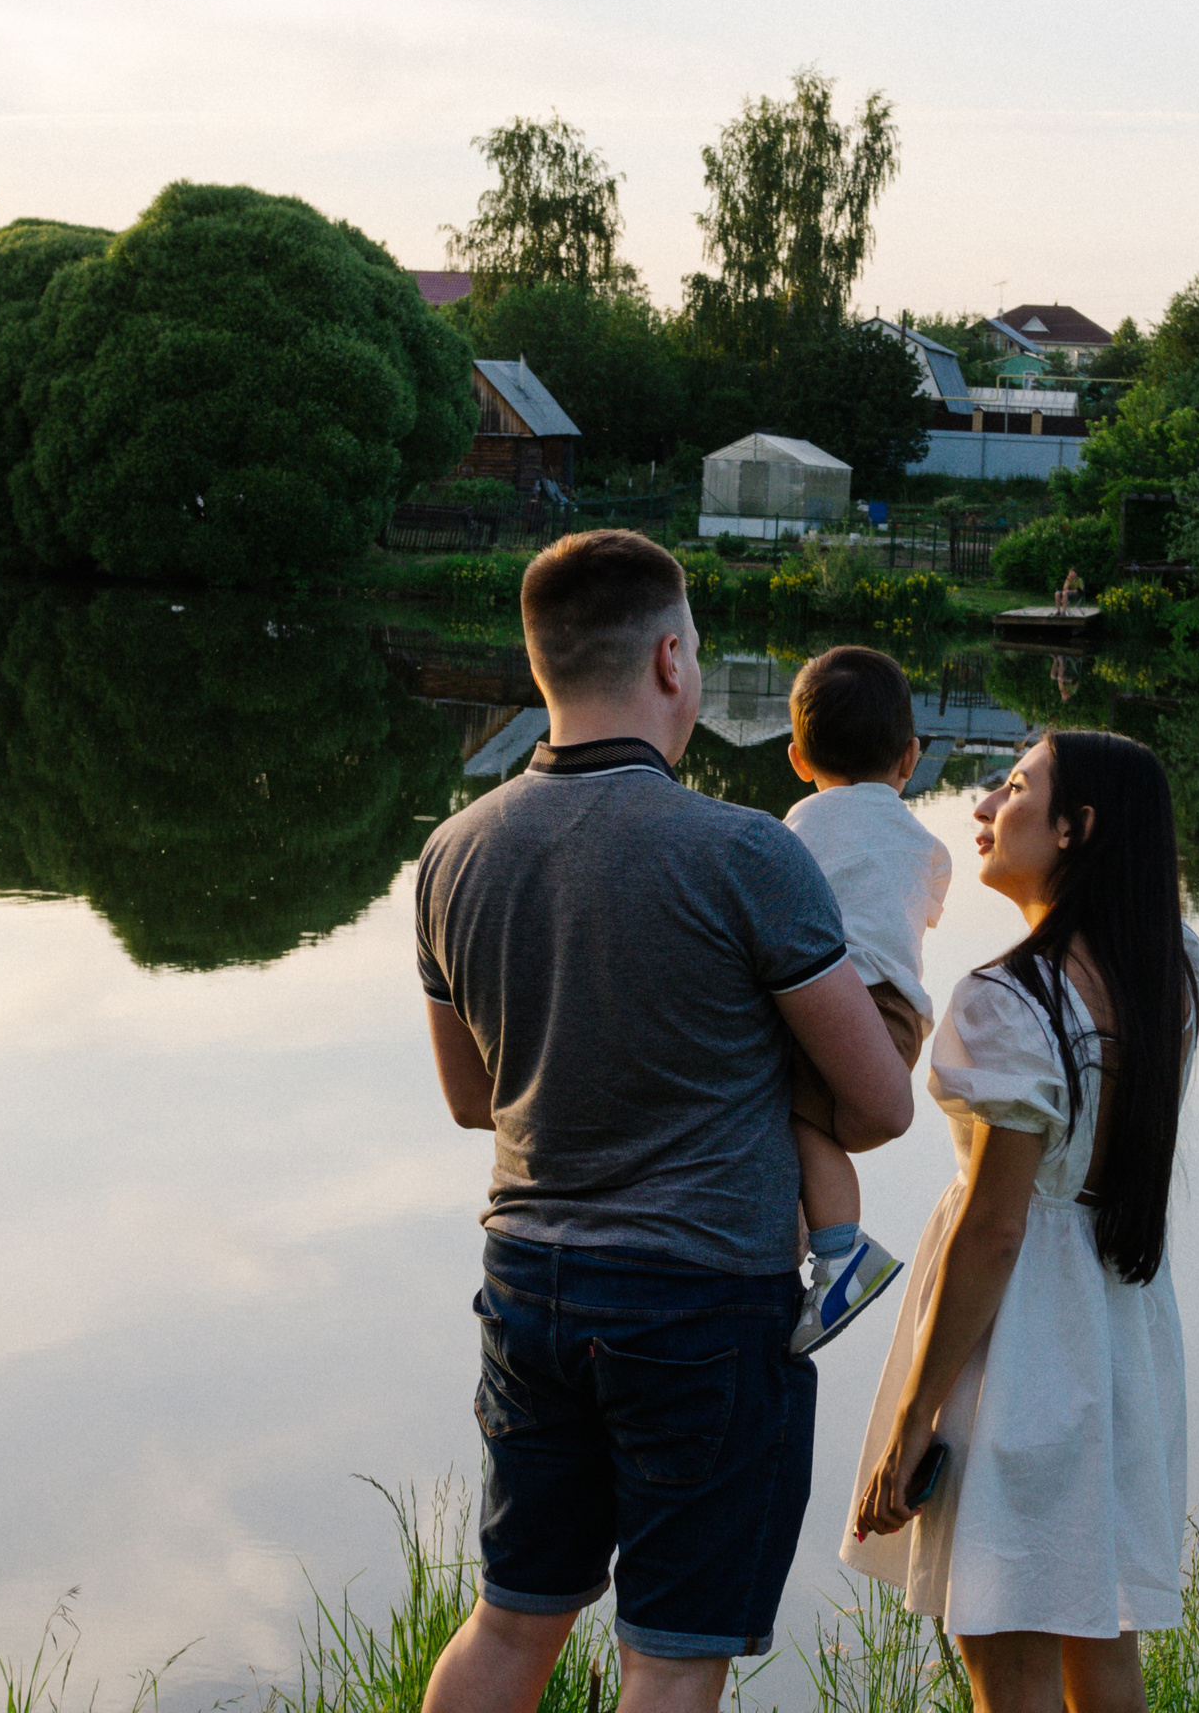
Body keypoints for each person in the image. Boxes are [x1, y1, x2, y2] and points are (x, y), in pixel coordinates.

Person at [415, 529, 915, 1713]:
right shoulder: (745, 854)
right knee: (672, 1655)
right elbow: (881, 1106)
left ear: (543, 666)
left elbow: (469, 1099)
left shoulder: (449, 853)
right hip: (702, 1303)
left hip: (528, 1281)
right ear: (674, 661)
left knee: (511, 1619)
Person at [843, 730, 1199, 1713]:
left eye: (1011, 789)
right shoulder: (1172, 966)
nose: (982, 808)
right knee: (1101, 1634)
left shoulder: (1007, 1002)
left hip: (1023, 1341)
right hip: (1123, 1320)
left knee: (1004, 1649)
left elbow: (997, 1229)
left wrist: (917, 1415)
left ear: (1075, 828)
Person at [780, 645, 954, 1356]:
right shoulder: (928, 845)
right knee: (815, 1125)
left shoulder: (800, 825)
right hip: (903, 1023)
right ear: (909, 758)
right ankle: (826, 1250)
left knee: (793, 1115)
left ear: (797, 758)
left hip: (842, 1009)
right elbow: (920, 912)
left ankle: (840, 1252)